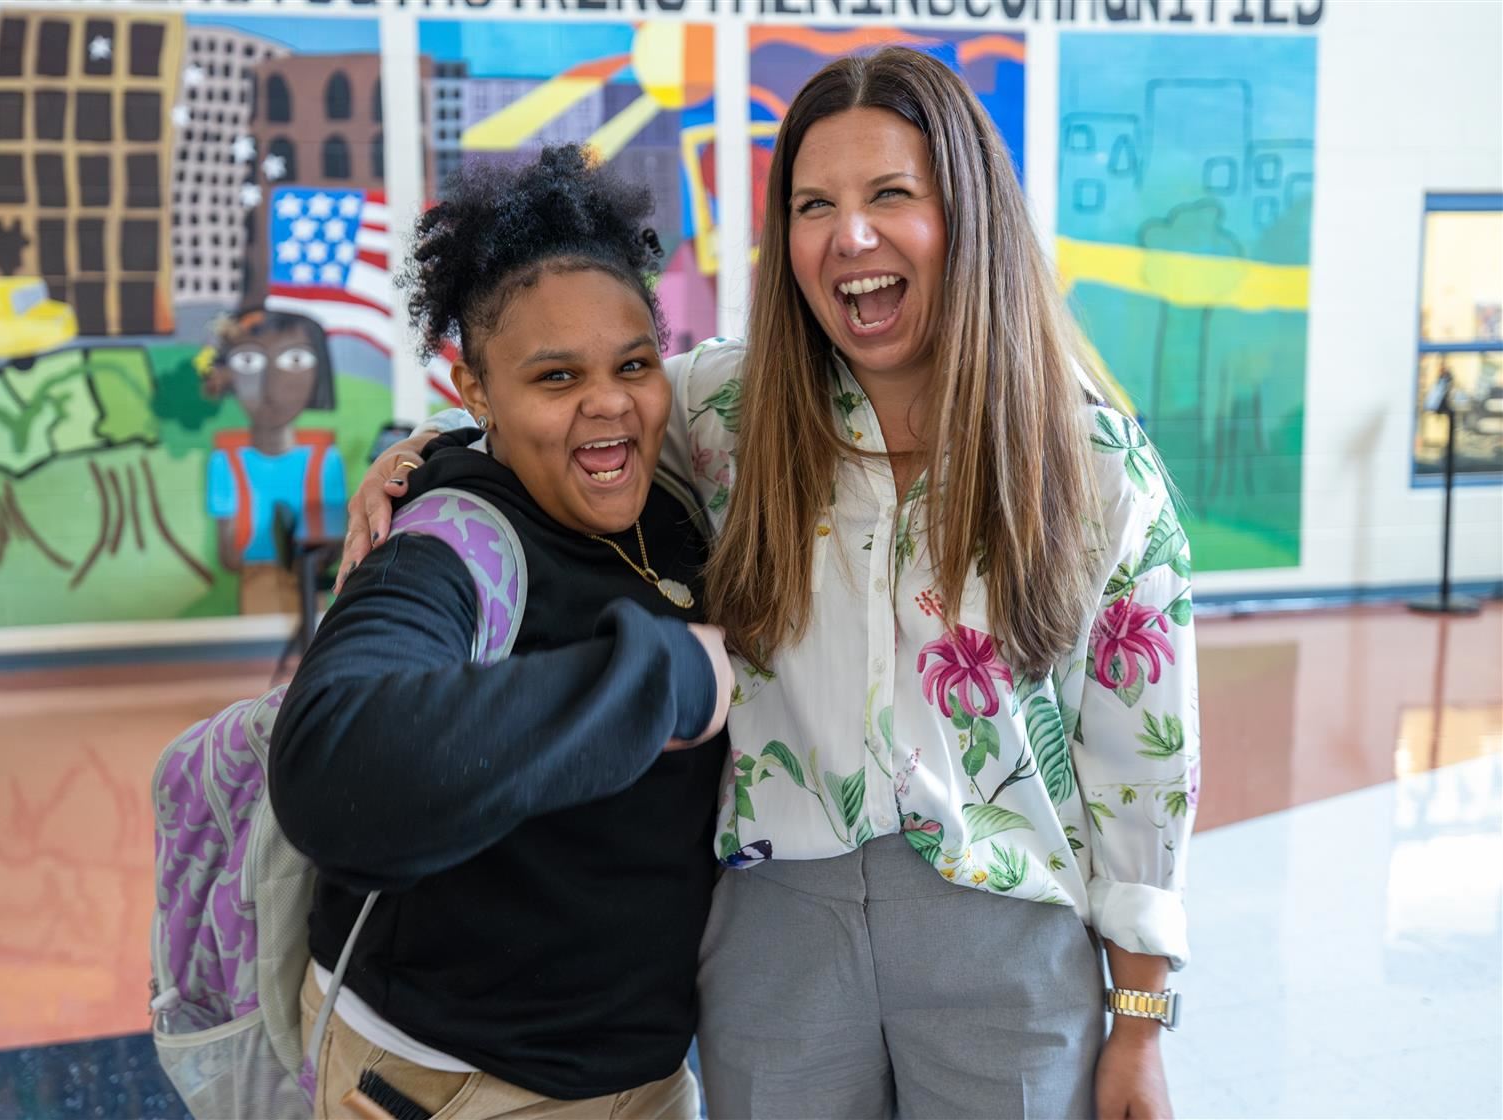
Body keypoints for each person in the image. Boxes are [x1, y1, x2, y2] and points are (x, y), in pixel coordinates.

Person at [348, 49, 1200, 1120]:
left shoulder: (1094, 463)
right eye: (813, 205)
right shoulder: (726, 410)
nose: (850, 236)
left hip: (1006, 933)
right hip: (776, 924)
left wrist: (1140, 1022)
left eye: (892, 194)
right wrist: (426, 455)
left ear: (968, 214)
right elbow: (570, 409)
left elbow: (1142, 768)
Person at [269, 145, 733, 1120]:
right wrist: (670, 678)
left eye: (633, 363)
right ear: (474, 390)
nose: (608, 400)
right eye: (555, 376)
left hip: (643, 1079)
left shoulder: (676, 508)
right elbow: (334, 765)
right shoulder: (454, 540)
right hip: (453, 1084)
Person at [202, 309, 347, 614]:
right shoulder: (226, 461)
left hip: (308, 577)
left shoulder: (325, 460)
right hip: (258, 578)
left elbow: (334, 543)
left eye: (294, 361)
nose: (271, 385)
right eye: (249, 362)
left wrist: (310, 562)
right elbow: (228, 554)